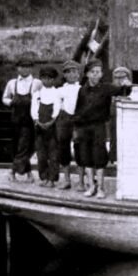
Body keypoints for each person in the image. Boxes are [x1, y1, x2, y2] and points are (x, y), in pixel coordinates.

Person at [73, 60, 131, 198]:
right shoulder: (82, 90)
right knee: (86, 157)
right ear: (87, 74)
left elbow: (122, 91)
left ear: (101, 74)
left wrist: (127, 86)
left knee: (99, 156)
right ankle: (91, 187)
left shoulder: (106, 88)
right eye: (92, 72)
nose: (95, 75)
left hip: (98, 127)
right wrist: (76, 128)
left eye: (98, 72)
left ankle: (101, 188)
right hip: (83, 128)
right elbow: (78, 110)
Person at [2, 57, 43, 182]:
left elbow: (43, 98)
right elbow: (5, 98)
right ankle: (29, 173)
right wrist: (11, 102)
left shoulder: (37, 83)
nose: (24, 69)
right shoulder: (12, 83)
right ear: (17, 68)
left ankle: (12, 171)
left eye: (27, 67)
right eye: (22, 66)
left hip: (29, 120)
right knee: (17, 147)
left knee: (25, 147)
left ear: (31, 69)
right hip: (15, 119)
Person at [55, 60, 83, 190]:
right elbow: (56, 105)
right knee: (63, 148)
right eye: (69, 72)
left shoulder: (83, 89)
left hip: (79, 120)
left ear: (78, 74)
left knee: (80, 149)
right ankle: (66, 180)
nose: (72, 74)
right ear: (64, 75)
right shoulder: (59, 90)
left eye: (74, 71)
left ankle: (81, 181)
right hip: (64, 120)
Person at [31, 66, 60, 187]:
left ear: (54, 80)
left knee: (53, 154)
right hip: (39, 126)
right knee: (41, 154)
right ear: (41, 79)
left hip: (52, 127)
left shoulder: (57, 93)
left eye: (50, 79)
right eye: (44, 78)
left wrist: (51, 121)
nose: (47, 81)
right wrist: (37, 121)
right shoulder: (37, 94)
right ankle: (43, 177)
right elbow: (34, 109)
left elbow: (57, 108)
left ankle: (52, 179)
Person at [108, 66, 133, 164]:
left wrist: (127, 87)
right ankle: (113, 157)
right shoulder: (111, 89)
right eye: (116, 78)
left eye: (122, 77)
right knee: (114, 136)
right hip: (114, 116)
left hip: (128, 117)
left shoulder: (131, 88)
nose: (119, 80)